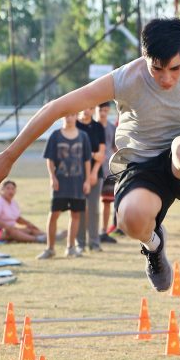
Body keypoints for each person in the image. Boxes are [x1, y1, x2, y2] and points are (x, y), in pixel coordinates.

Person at [0, 17, 180, 291]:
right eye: (156, 69)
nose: (166, 79)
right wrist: (9, 156)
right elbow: (56, 108)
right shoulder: (126, 78)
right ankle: (154, 245)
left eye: (175, 69)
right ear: (144, 56)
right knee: (131, 219)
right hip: (140, 164)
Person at [37, 114, 92, 259]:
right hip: (60, 183)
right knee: (54, 214)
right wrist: (52, 177)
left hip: (77, 183)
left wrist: (87, 180)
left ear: (77, 117)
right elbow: (49, 159)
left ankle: (71, 247)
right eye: (66, 115)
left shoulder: (83, 136)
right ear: (62, 117)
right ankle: (50, 248)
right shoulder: (55, 135)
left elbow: (87, 160)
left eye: (72, 115)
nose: (69, 118)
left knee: (75, 215)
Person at [76, 107, 106, 252]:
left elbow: (101, 154)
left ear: (94, 109)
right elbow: (76, 151)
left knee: (94, 208)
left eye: (90, 107)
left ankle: (94, 242)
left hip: (95, 174)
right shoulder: (74, 125)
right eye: (84, 107)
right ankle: (80, 243)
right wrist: (93, 154)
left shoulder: (98, 127)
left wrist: (93, 173)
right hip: (77, 174)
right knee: (80, 207)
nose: (86, 110)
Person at [96, 101, 118, 243]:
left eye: (105, 110)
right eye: (100, 110)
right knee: (92, 202)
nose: (103, 113)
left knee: (107, 202)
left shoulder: (112, 128)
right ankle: (92, 231)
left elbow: (115, 148)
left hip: (108, 170)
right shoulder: (92, 127)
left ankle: (104, 231)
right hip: (94, 169)